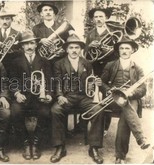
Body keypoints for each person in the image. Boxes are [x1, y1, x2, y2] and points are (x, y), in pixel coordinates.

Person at [50, 34, 104, 164]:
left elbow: (90, 83)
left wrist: (95, 86)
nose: (74, 50)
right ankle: (60, 147)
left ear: (80, 49)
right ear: (67, 49)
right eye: (71, 47)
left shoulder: (87, 63)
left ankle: (94, 147)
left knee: (98, 110)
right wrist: (60, 96)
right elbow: (57, 82)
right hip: (67, 97)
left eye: (77, 47)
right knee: (55, 110)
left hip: (84, 97)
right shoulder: (59, 63)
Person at [100, 37, 150, 164]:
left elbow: (143, 89)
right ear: (118, 50)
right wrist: (109, 91)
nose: (124, 50)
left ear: (132, 50)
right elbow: (102, 83)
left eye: (127, 48)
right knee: (126, 107)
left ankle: (120, 156)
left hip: (130, 99)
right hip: (112, 98)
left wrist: (131, 93)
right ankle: (141, 138)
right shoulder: (110, 65)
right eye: (121, 48)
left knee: (125, 117)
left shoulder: (138, 68)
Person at [9, 30, 52, 160]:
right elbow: (12, 80)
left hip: (39, 98)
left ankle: (36, 143)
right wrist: (16, 93)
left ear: (36, 45)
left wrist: (49, 94)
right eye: (26, 44)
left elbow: (50, 80)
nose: (29, 46)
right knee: (15, 112)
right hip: (23, 97)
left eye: (32, 43)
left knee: (46, 113)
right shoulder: (15, 61)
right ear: (22, 46)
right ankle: (26, 142)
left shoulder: (44, 61)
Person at [0, 6, 22, 77]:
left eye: (7, 19)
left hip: (14, 67)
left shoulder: (18, 34)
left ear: (12, 20)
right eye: (2, 19)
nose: (4, 21)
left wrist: (11, 51)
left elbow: (22, 51)